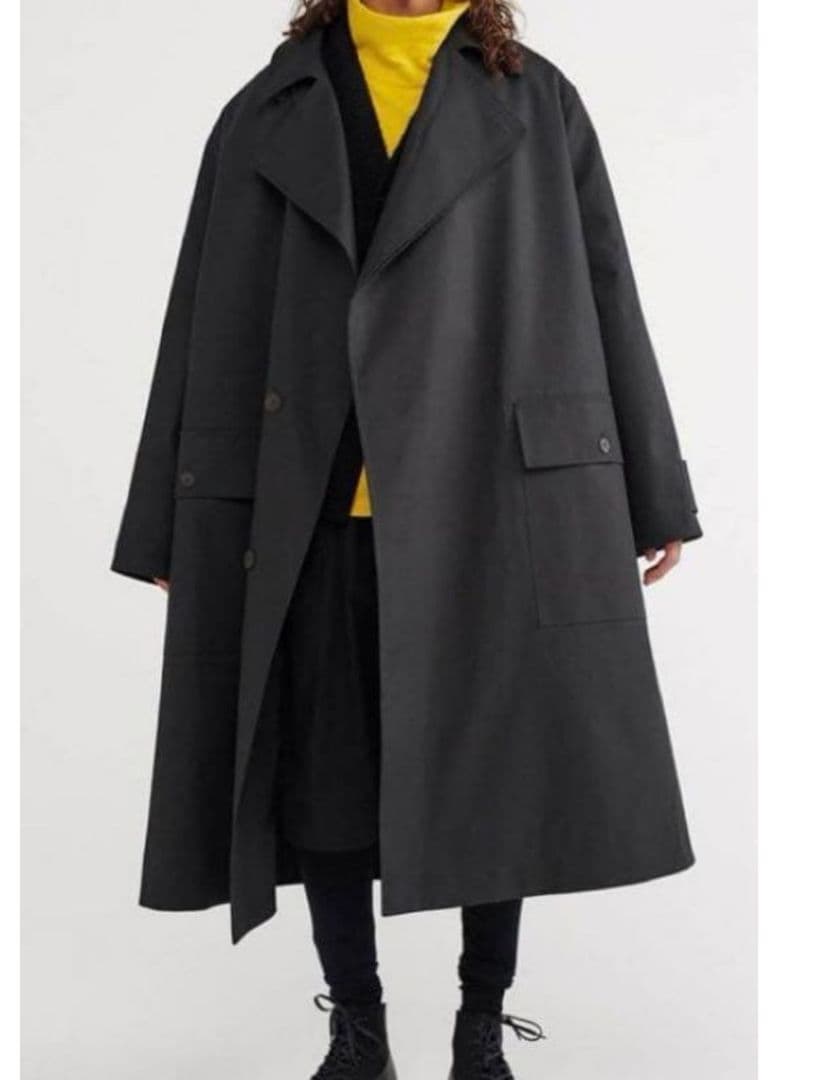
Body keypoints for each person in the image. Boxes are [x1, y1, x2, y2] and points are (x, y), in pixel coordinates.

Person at [111, 2, 703, 1077]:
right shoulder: (268, 107)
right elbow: (200, 303)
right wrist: (167, 514)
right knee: (327, 788)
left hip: (494, 506)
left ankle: (480, 1029)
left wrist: (653, 493)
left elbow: (604, 283)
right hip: (313, 508)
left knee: (498, 771)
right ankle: (359, 1031)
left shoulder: (535, 96)